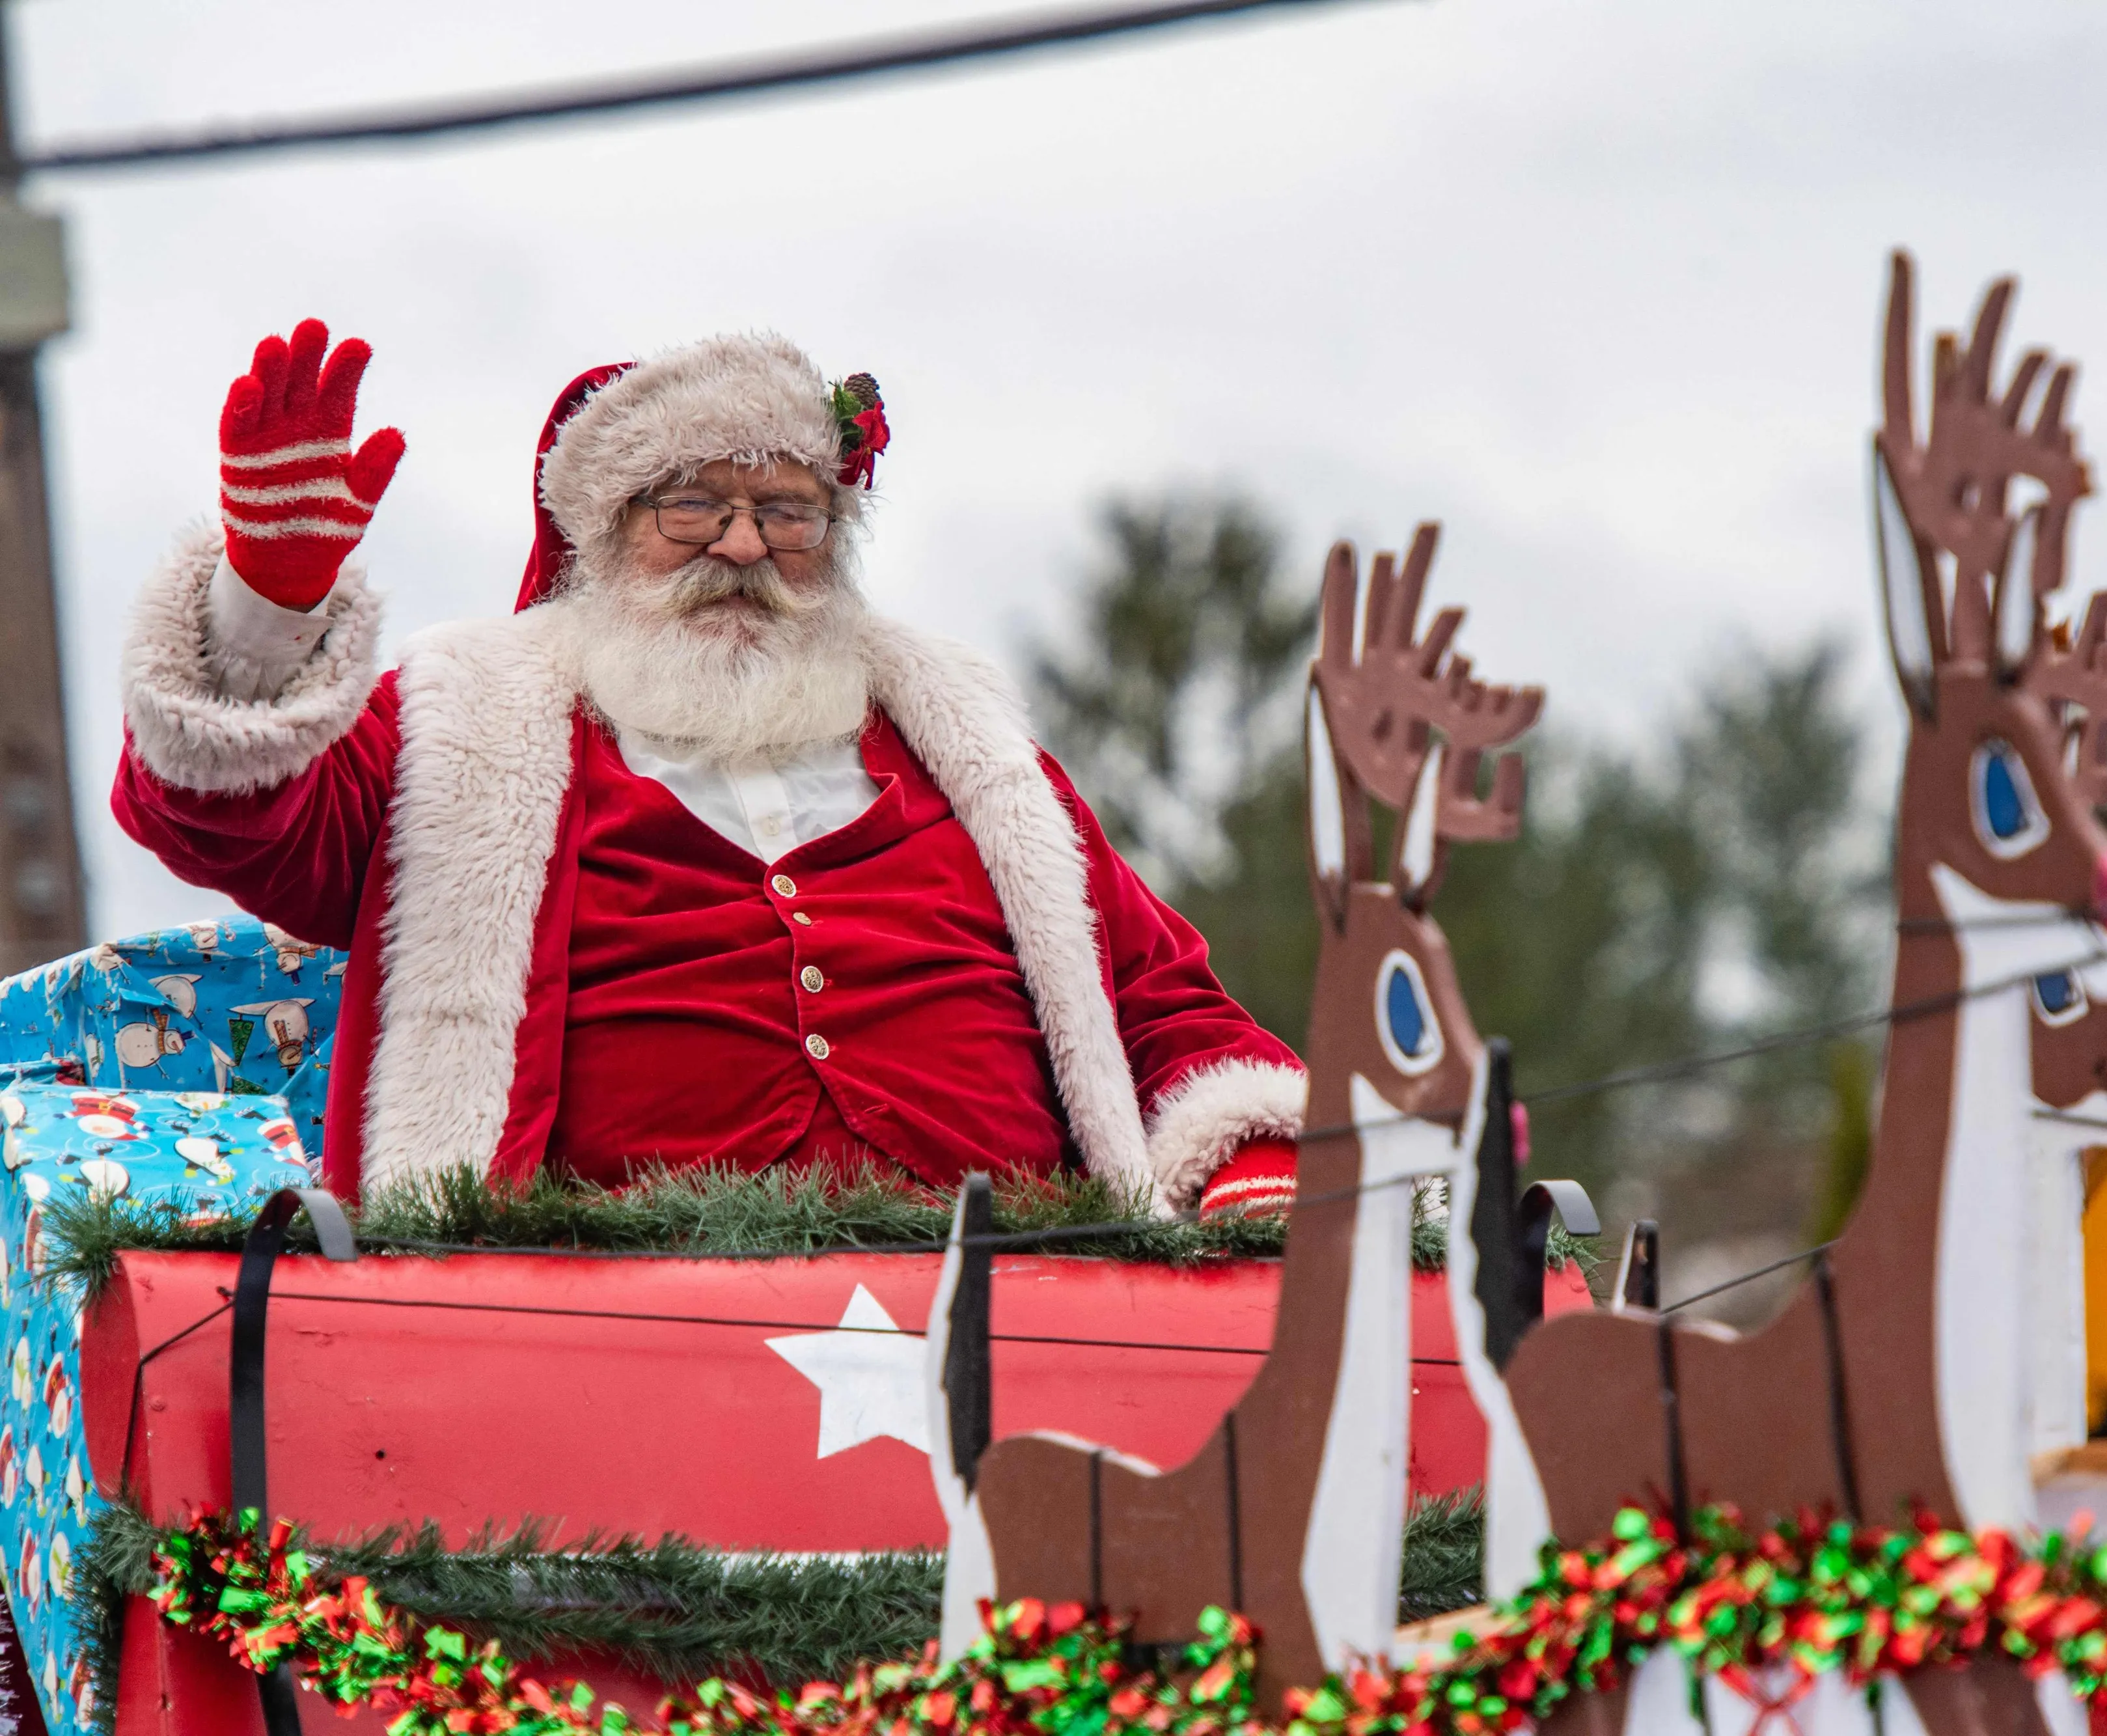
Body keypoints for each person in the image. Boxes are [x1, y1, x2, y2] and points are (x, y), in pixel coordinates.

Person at [113, 322, 1304, 1218]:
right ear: (601, 535)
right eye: (692, 504)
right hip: (590, 1343)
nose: (744, 545)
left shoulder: (972, 745)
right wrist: (267, 610)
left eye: (789, 512)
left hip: (1025, 1312)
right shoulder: (464, 723)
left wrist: (1257, 1162)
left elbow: (1163, 999)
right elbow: (228, 817)